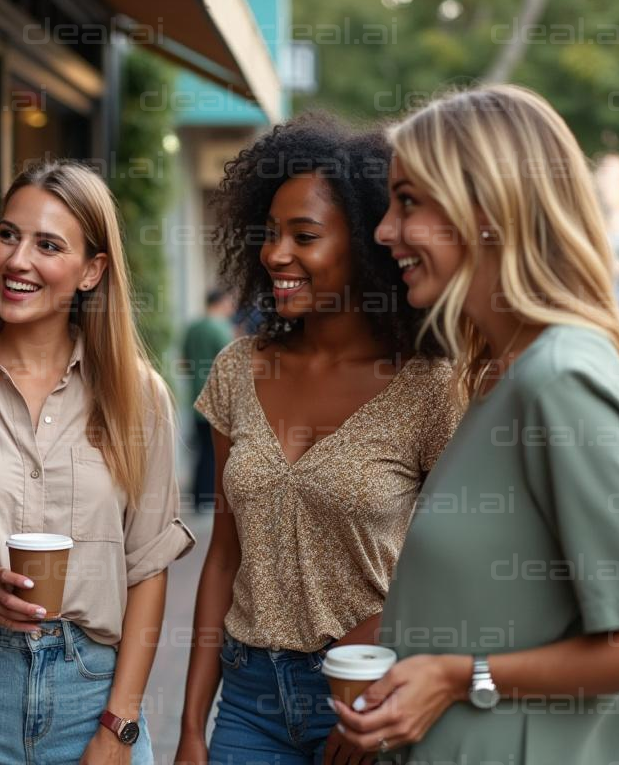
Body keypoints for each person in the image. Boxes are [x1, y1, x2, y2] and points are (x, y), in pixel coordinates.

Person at [336, 84, 619, 763]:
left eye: (410, 202)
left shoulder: (558, 377)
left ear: (489, 211)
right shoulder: (502, 374)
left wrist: (457, 678)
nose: (385, 230)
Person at [0, 161, 196, 764]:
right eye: (8, 235)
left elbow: (148, 567)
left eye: (48, 245)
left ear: (91, 271)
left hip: (93, 693)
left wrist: (119, 724)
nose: (17, 260)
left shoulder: (138, 395)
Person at [173, 113, 459, 765]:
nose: (275, 254)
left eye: (304, 235)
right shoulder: (237, 369)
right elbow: (223, 556)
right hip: (247, 701)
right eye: (269, 234)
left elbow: (447, 565)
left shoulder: (429, 385)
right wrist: (193, 725)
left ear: (363, 243)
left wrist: (364, 676)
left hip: (369, 691)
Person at [183, 289, 236, 512]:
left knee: (201, 450)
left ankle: (197, 496)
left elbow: (184, 361)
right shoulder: (222, 328)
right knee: (215, 452)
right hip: (218, 400)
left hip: (196, 397)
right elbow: (233, 364)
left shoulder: (193, 328)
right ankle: (208, 499)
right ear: (222, 302)